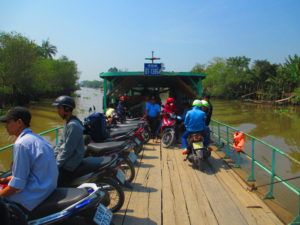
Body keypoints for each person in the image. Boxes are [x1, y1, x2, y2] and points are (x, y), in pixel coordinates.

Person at [0, 107, 58, 212]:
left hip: (33, 196)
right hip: (47, 188)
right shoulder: (37, 138)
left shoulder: (21, 144)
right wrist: (5, 180)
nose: (6, 126)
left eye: (8, 122)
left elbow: (17, 186)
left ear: (19, 122)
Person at [52, 95, 85, 185]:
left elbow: (68, 150)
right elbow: (61, 143)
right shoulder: (68, 122)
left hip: (71, 163)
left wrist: (56, 166)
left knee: (54, 183)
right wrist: (53, 155)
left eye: (59, 108)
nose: (57, 111)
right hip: (67, 159)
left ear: (67, 109)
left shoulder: (73, 125)